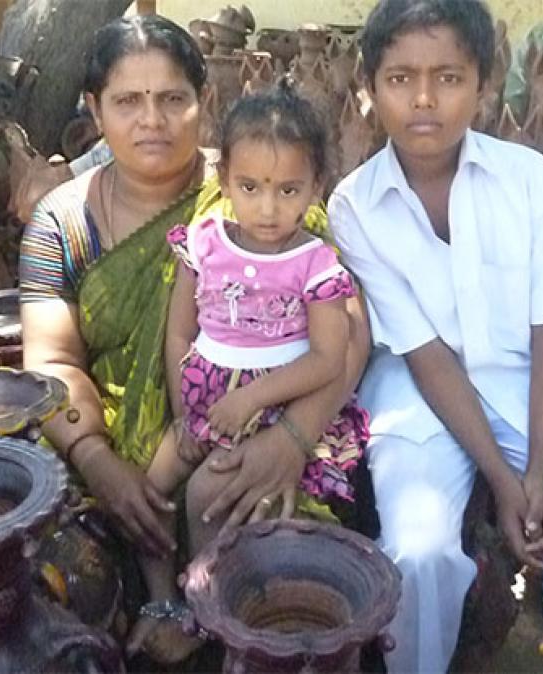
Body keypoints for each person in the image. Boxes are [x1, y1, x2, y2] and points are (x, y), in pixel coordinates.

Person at [18, 14, 371, 664]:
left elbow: (350, 332)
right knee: (60, 576)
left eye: (172, 98)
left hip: (278, 418)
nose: (152, 118)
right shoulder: (61, 221)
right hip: (127, 444)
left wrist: (289, 440)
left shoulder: (260, 184)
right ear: (94, 110)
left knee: (289, 572)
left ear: (203, 104)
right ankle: (161, 602)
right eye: (128, 101)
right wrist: (100, 462)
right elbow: (51, 363)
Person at [328, 1, 543, 671]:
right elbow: (425, 356)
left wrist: (538, 472)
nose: (424, 100)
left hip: (531, 382)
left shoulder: (535, 184)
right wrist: (508, 486)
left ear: (484, 83)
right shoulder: (354, 205)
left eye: (448, 77)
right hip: (418, 388)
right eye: (400, 78)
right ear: (369, 87)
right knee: (416, 553)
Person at [133, 77, 370, 652]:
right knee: (149, 493)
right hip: (206, 403)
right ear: (224, 180)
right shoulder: (205, 243)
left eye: (289, 190)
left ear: (317, 186)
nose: (268, 208)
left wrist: (253, 401)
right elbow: (180, 329)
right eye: (251, 186)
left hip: (275, 408)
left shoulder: (314, 263)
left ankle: (213, 614)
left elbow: (327, 359)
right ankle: (160, 596)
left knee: (207, 501)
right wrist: (187, 408)